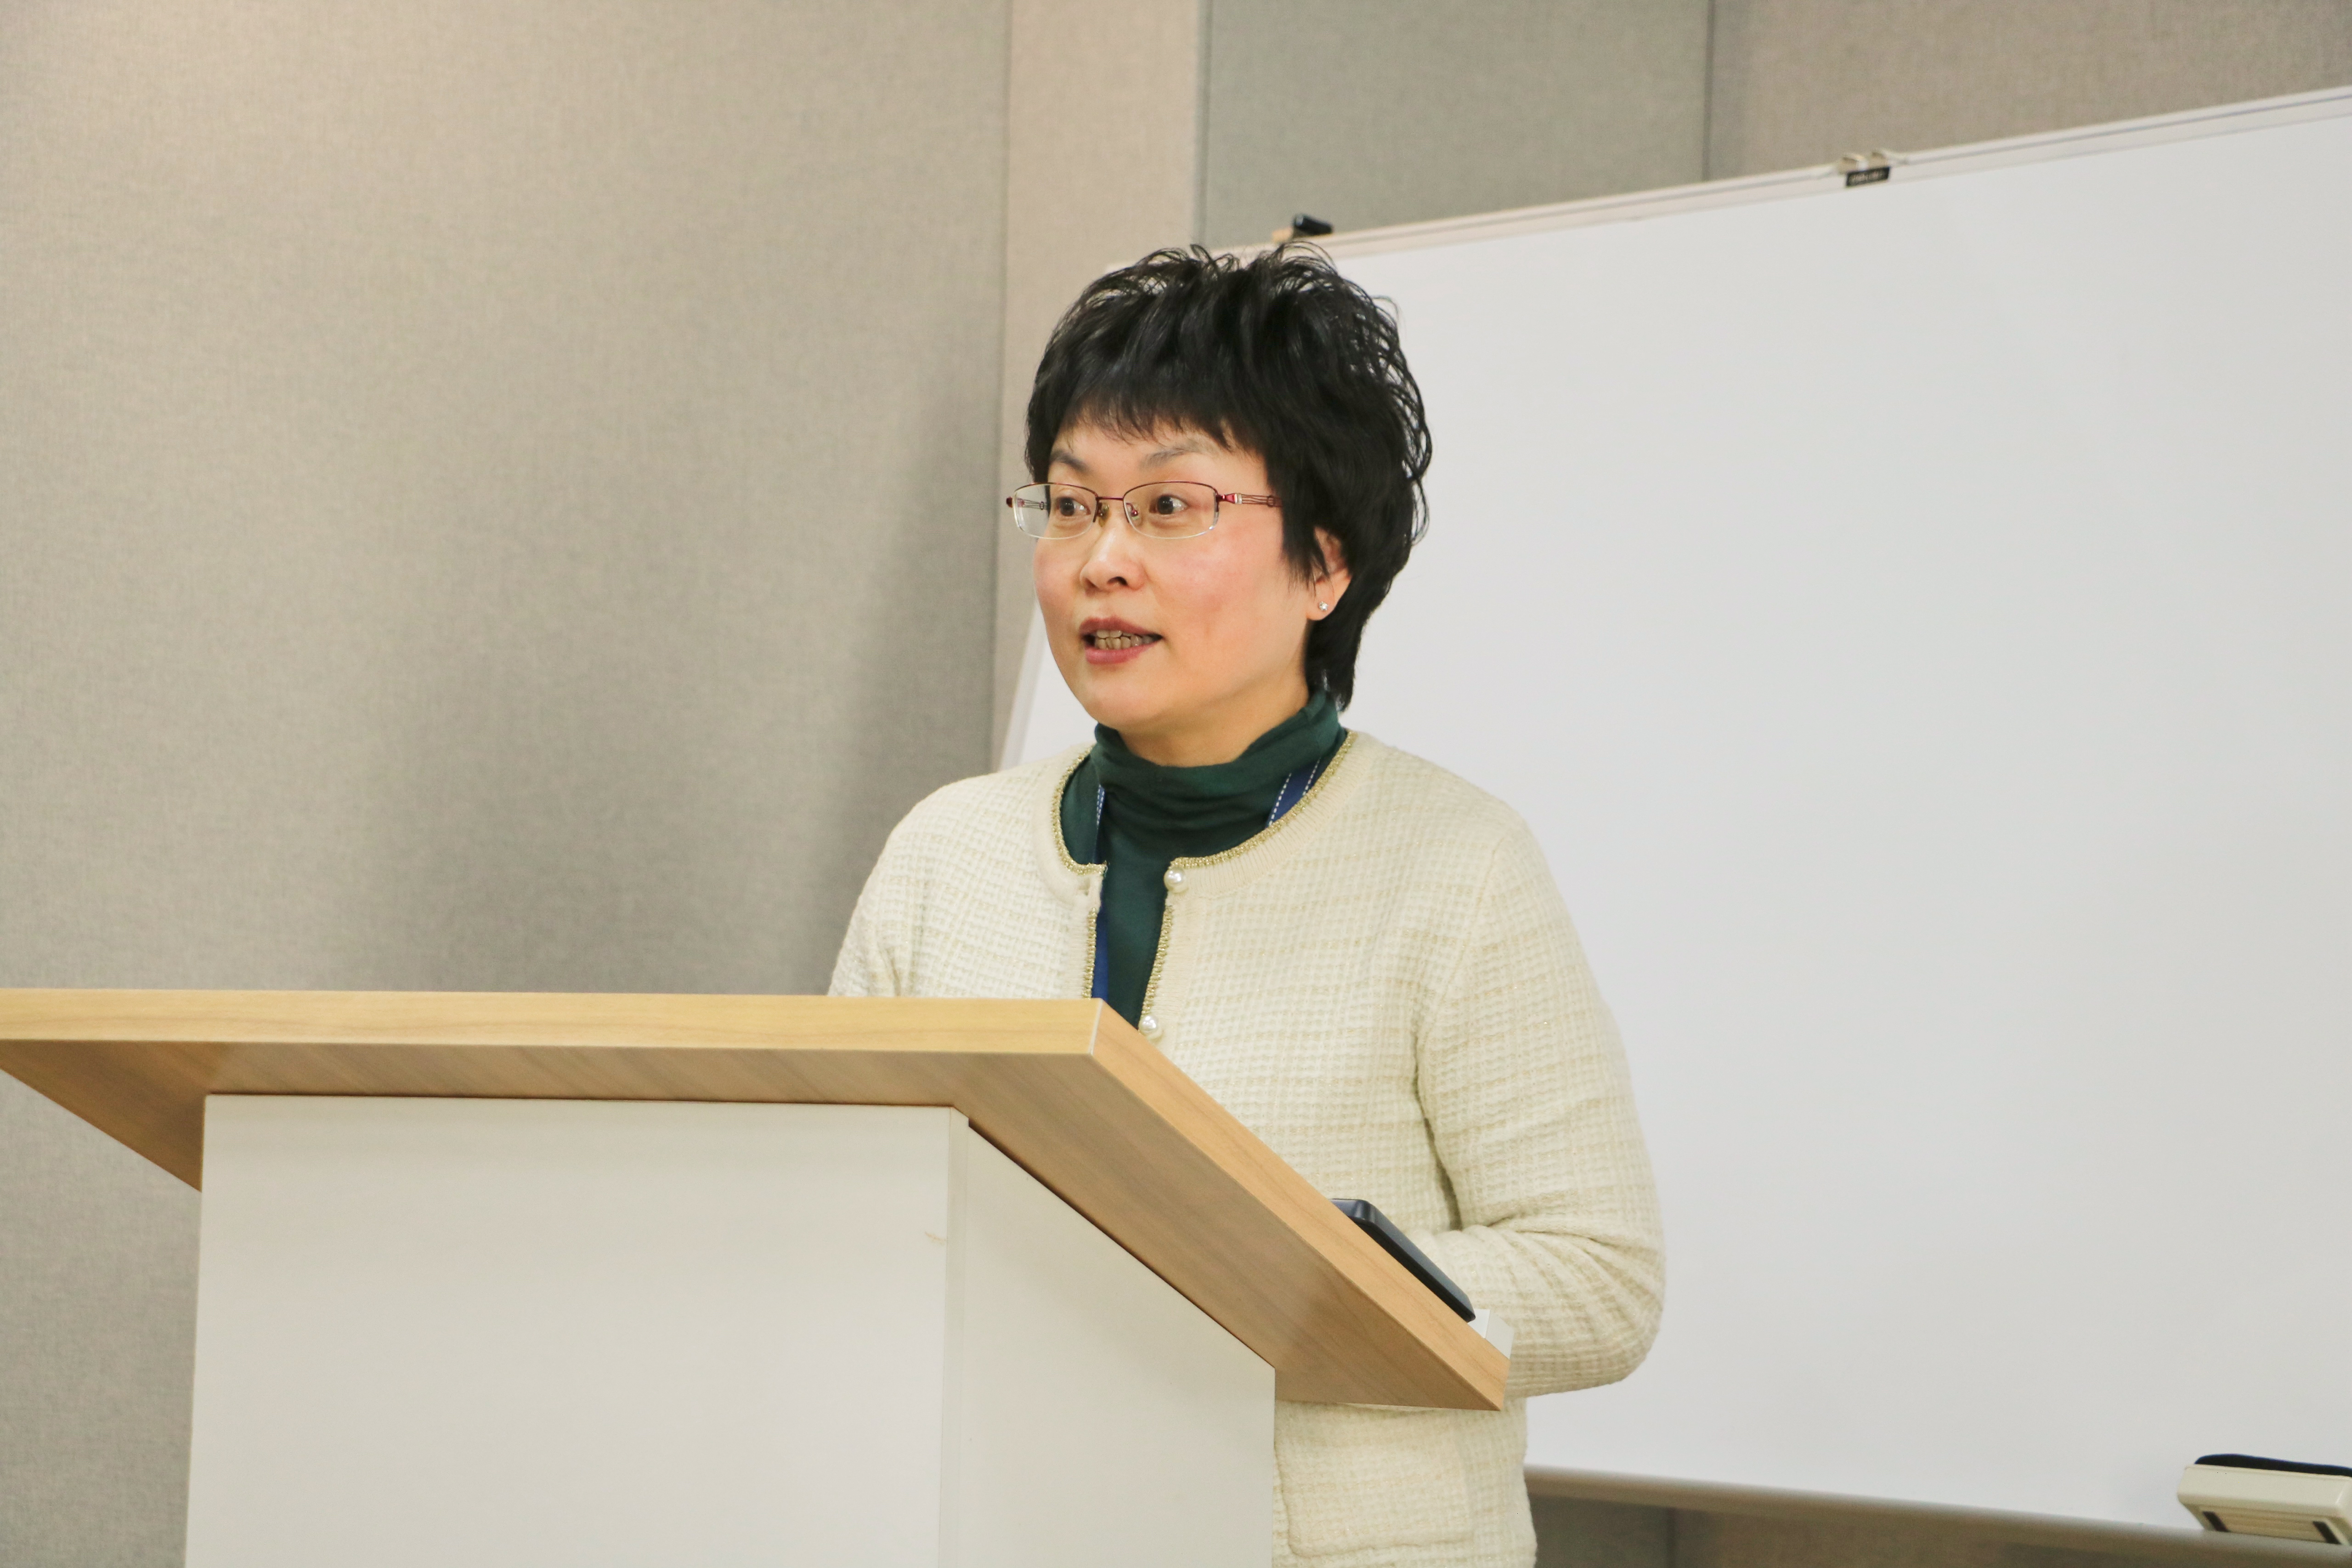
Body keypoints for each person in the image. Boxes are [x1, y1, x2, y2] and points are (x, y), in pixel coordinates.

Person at [831, 244, 1662, 1568]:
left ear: (1324, 562)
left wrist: (1273, 1268)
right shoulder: (947, 852)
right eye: (1070, 505)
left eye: (1170, 507)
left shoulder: (1456, 866)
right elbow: (844, 1217)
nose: (1103, 561)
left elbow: (1600, 1281)